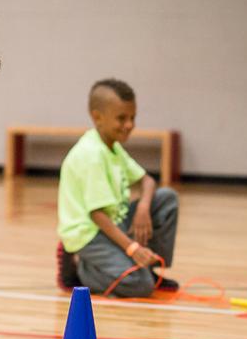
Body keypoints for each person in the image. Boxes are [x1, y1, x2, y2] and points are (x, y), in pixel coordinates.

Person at [56, 78, 178, 298]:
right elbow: (98, 215)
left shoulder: (112, 146)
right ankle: (78, 266)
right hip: (90, 234)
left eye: (133, 117)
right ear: (97, 117)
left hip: (114, 223)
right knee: (141, 286)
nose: (129, 124)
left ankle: (150, 268)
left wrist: (143, 207)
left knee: (166, 198)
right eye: (122, 118)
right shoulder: (91, 155)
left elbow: (148, 181)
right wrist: (132, 248)